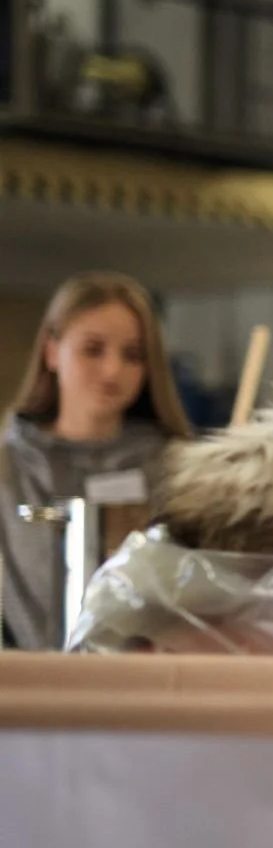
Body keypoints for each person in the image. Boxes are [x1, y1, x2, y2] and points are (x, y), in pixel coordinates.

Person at [0, 271, 193, 649]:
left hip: (145, 693)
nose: (112, 371)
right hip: (21, 692)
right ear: (52, 351)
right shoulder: (8, 468)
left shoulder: (179, 471)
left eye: (133, 355)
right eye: (93, 349)